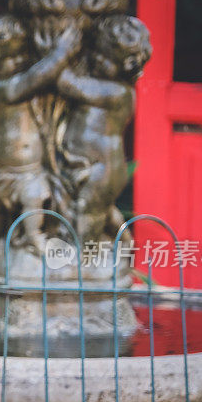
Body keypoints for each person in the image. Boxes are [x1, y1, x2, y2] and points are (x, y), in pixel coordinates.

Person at [0, 15, 80, 256]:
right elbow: (34, 78)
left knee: (37, 194)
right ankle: (3, 245)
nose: (17, 64)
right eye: (11, 60)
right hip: (4, 168)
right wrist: (61, 52)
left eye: (20, 59)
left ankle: (34, 236)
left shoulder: (25, 84)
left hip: (31, 169)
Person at [56, 14, 151, 242]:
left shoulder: (116, 92)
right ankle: (126, 242)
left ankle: (83, 260)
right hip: (92, 165)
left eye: (103, 57)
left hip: (102, 170)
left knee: (88, 214)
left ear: (126, 66)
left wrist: (60, 52)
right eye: (94, 53)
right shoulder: (110, 86)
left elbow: (66, 83)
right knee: (99, 209)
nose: (95, 59)